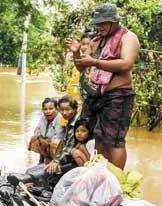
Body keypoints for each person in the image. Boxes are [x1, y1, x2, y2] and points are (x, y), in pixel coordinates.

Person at [65, 3, 140, 169]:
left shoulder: (128, 37)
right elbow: (82, 66)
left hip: (118, 95)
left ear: (114, 21)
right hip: (96, 94)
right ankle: (99, 174)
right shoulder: (96, 40)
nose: (99, 27)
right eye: (97, 23)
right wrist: (76, 52)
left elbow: (126, 64)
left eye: (103, 23)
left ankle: (117, 180)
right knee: (97, 136)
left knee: (114, 141)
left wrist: (96, 62)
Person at [46, 95, 80, 175]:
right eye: (62, 110)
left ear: (75, 109)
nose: (64, 113)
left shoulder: (77, 124)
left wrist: (56, 161)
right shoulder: (70, 120)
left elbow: (69, 146)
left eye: (67, 109)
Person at [28, 98, 63, 164]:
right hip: (46, 140)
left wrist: (45, 140)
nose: (48, 111)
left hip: (57, 144)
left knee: (54, 143)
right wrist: (37, 136)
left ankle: (55, 161)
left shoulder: (59, 118)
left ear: (56, 109)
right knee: (34, 139)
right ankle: (42, 159)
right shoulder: (43, 117)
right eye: (45, 109)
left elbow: (58, 137)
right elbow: (37, 128)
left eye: (51, 109)